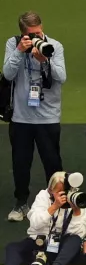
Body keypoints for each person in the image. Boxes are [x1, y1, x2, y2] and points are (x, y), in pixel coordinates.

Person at [3, 12, 66, 223]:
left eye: (39, 32)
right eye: (32, 34)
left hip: (48, 117)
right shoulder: (13, 45)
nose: (37, 37)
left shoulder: (54, 46)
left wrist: (45, 61)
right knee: (21, 163)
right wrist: (20, 52)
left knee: (53, 163)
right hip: (21, 117)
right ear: (23, 34)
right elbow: (7, 74)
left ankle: (57, 202)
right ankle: (21, 203)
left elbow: (61, 77)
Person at [0, 172, 86, 265]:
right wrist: (53, 207)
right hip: (40, 243)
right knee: (13, 247)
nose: (63, 196)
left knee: (75, 240)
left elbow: (80, 232)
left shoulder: (77, 198)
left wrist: (76, 212)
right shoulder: (43, 196)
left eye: (66, 192)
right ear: (50, 190)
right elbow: (35, 224)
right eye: (59, 192)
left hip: (61, 247)